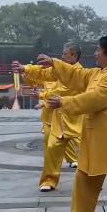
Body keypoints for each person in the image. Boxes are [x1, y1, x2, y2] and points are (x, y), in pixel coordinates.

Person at [18, 35, 107, 212]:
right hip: (93, 135)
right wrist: (52, 63)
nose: (95, 53)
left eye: (98, 50)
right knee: (85, 178)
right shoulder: (95, 73)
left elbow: (95, 99)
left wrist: (64, 102)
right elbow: (75, 74)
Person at [22, 43, 83, 191]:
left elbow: (63, 91)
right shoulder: (59, 70)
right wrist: (25, 68)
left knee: (87, 150)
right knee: (52, 147)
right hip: (59, 118)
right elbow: (44, 73)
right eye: (62, 54)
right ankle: (48, 180)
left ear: (74, 55)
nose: (62, 57)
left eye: (65, 54)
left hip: (77, 119)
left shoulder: (79, 72)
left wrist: (42, 96)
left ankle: (92, 178)